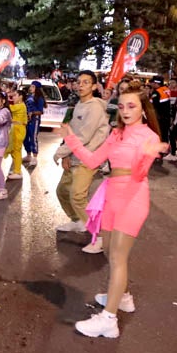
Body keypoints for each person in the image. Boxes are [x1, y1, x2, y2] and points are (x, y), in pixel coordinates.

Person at [60, 81, 169, 339]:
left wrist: (147, 154)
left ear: (144, 109)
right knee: (108, 250)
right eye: (121, 106)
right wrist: (70, 139)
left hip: (133, 197)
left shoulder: (149, 137)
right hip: (111, 194)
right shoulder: (117, 134)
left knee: (118, 258)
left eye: (132, 106)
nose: (126, 110)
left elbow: (140, 174)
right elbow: (93, 160)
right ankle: (123, 297)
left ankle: (109, 320)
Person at [54, 70, 108, 240]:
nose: (81, 85)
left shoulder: (95, 107)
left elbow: (84, 136)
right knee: (62, 191)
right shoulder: (79, 104)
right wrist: (66, 155)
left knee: (77, 196)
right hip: (75, 155)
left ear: (94, 86)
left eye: (86, 82)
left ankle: (96, 236)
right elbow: (73, 132)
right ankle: (78, 220)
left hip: (88, 158)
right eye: (79, 82)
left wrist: (60, 152)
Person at [5, 86, 28, 180]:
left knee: (16, 151)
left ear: (21, 97)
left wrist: (5, 97)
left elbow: (9, 108)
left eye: (15, 96)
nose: (13, 97)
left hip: (18, 130)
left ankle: (18, 172)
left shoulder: (20, 106)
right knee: (14, 151)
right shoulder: (20, 105)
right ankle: (16, 169)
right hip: (16, 129)